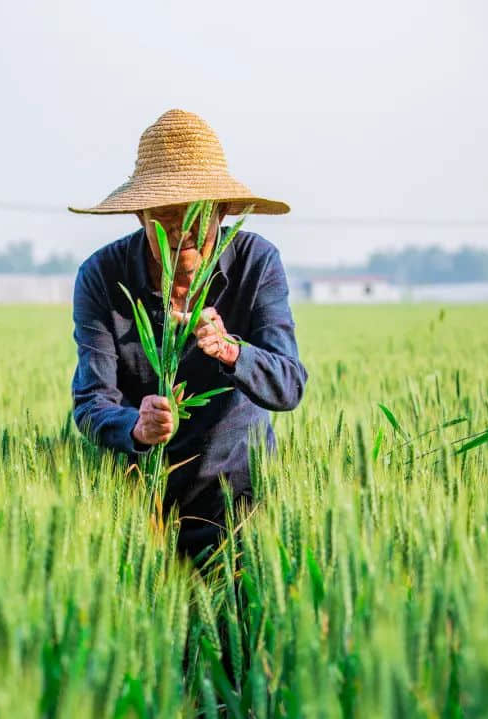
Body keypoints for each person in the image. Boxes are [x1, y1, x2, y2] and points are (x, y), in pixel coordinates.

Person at [69, 109, 308, 560]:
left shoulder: (257, 263)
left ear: (222, 211)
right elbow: (90, 403)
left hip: (243, 505)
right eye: (165, 215)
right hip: (138, 511)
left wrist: (230, 350)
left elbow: (290, 383)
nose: (182, 232)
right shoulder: (102, 276)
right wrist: (135, 428)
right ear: (139, 215)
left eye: (196, 213)